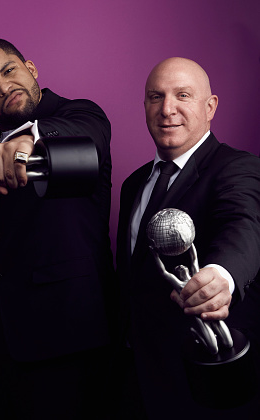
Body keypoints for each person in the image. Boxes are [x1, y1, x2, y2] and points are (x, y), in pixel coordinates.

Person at [0, 38, 114, 418]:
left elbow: (84, 138)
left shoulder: (81, 115)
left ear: (31, 68)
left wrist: (28, 142)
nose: (3, 87)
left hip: (66, 334)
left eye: (8, 71)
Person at [115, 57, 260, 418]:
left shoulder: (237, 167)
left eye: (183, 95)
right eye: (155, 97)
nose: (167, 109)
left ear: (210, 107)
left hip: (206, 376)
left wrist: (223, 276)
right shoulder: (134, 184)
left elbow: (244, 224)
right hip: (139, 376)